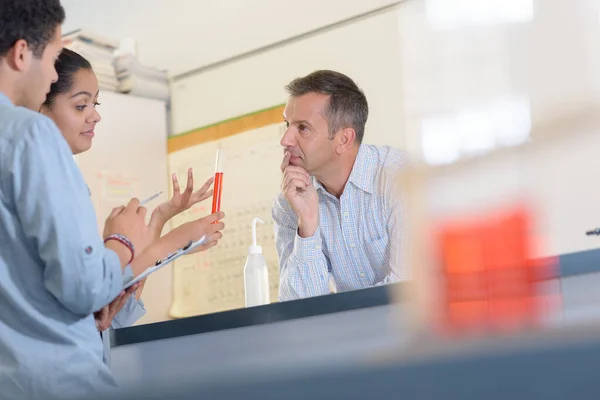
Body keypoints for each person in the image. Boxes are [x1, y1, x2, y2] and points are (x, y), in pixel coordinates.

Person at [0, 1, 224, 398]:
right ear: (21, 54)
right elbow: (85, 289)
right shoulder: (30, 135)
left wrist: (151, 229)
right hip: (57, 381)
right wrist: (123, 242)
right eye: (52, 58)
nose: (51, 72)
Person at [39, 48, 217, 363]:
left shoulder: (67, 179)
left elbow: (107, 308)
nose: (95, 115)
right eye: (81, 105)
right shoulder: (40, 182)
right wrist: (166, 245)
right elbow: (88, 297)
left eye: (95, 104)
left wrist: (160, 220)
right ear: (41, 107)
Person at [272, 70, 408, 301]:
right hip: (350, 334)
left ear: (344, 139)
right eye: (287, 125)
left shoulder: (401, 178)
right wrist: (308, 225)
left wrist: (339, 316)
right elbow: (300, 311)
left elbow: (407, 292)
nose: (285, 140)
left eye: (302, 128)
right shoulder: (289, 204)